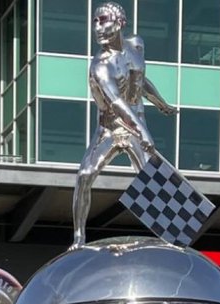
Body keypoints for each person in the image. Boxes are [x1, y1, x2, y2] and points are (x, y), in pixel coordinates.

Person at [71, 2, 176, 248]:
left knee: (150, 177)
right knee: (85, 175)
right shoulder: (99, 66)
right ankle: (79, 237)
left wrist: (161, 103)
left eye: (103, 20)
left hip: (136, 122)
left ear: (120, 23)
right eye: (95, 21)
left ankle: (169, 235)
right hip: (110, 128)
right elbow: (116, 102)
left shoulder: (136, 45)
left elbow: (140, 81)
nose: (97, 27)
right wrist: (142, 131)